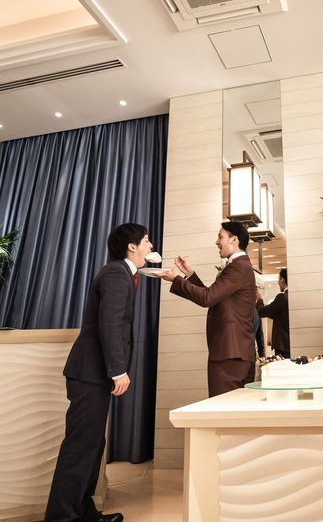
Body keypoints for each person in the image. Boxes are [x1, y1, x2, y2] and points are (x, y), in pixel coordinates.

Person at [45, 223, 153, 522]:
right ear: (131, 246)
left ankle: (83, 513)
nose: (150, 246)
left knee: (93, 446)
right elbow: (110, 324)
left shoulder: (123, 273)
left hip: (94, 374)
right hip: (89, 373)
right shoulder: (117, 273)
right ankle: (62, 517)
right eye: (146, 241)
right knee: (81, 447)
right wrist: (118, 370)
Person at [159, 222, 256, 397]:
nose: (216, 242)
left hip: (231, 353)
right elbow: (213, 297)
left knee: (223, 408)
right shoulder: (239, 266)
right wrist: (189, 273)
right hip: (234, 352)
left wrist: (176, 279)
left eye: (220, 237)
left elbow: (207, 298)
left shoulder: (238, 267)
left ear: (234, 239)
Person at [256, 267, 290, 358]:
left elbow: (261, 312)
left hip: (283, 346)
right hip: (290, 344)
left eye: (278, 279)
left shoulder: (282, 297)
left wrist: (259, 299)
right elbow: (277, 314)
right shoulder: (291, 297)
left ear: (282, 280)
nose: (278, 282)